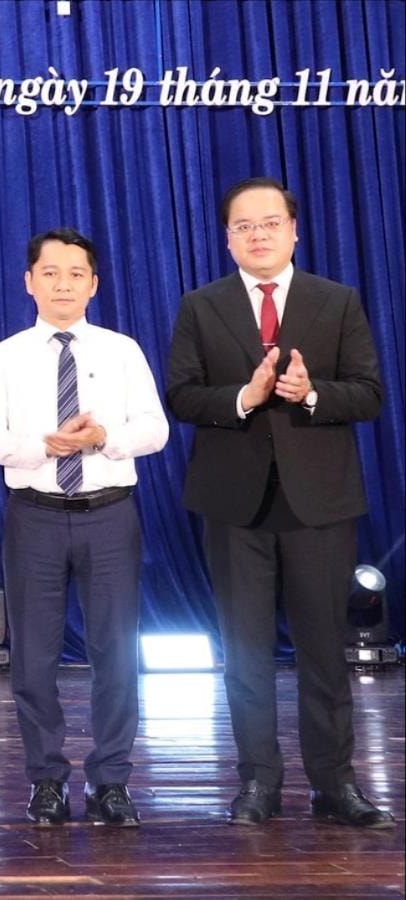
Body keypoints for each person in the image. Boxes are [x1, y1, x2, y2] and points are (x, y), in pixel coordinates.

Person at [165, 177, 391, 829]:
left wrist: (310, 393)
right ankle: (258, 781)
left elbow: (370, 393)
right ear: (227, 238)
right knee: (244, 650)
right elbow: (182, 396)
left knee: (324, 649)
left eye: (270, 223)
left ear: (295, 229)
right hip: (235, 505)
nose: (258, 235)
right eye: (244, 226)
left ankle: (334, 783)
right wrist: (245, 396)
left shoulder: (336, 301)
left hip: (319, 502)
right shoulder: (201, 307)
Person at [0, 228, 167, 827]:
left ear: (94, 283)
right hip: (35, 517)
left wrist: (105, 438)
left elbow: (154, 430)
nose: (63, 284)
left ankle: (112, 780)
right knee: (33, 657)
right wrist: (40, 446)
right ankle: (46, 780)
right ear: (29, 281)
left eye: (75, 273)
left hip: (110, 513)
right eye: (50, 273)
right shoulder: (5, 355)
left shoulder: (122, 350)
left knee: (115, 652)